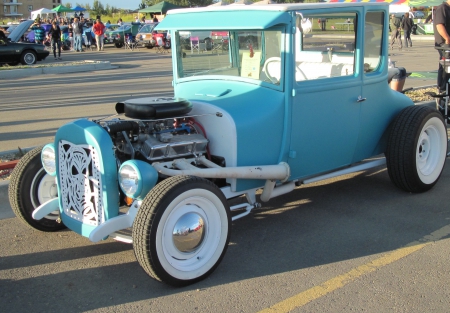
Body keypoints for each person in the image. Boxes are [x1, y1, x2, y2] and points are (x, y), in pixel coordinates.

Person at [434, 0, 450, 92]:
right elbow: (439, 25)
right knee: (445, 66)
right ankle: (442, 88)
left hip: (447, 44)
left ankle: (445, 87)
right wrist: (447, 39)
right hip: (444, 44)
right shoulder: (442, 8)